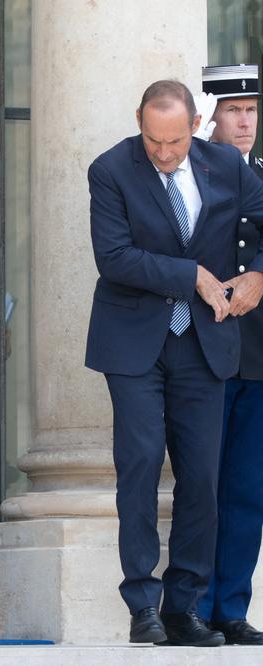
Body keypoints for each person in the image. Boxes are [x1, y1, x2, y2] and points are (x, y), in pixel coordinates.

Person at [85, 79, 263, 647]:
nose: (164, 154)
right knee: (138, 466)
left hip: (204, 344)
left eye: (176, 142)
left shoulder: (226, 167)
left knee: (203, 478)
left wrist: (258, 272)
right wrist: (192, 277)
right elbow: (113, 256)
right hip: (135, 342)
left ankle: (185, 606)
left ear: (195, 124)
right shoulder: (110, 169)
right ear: (139, 119)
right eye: (153, 140)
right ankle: (143, 603)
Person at [193, 64, 263, 645]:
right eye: (232, 110)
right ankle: (191, 605)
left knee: (247, 490)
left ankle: (230, 607)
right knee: (202, 487)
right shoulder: (190, 175)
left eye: (251, 109)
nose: (243, 121)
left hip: (259, 358)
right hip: (203, 354)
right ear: (210, 115)